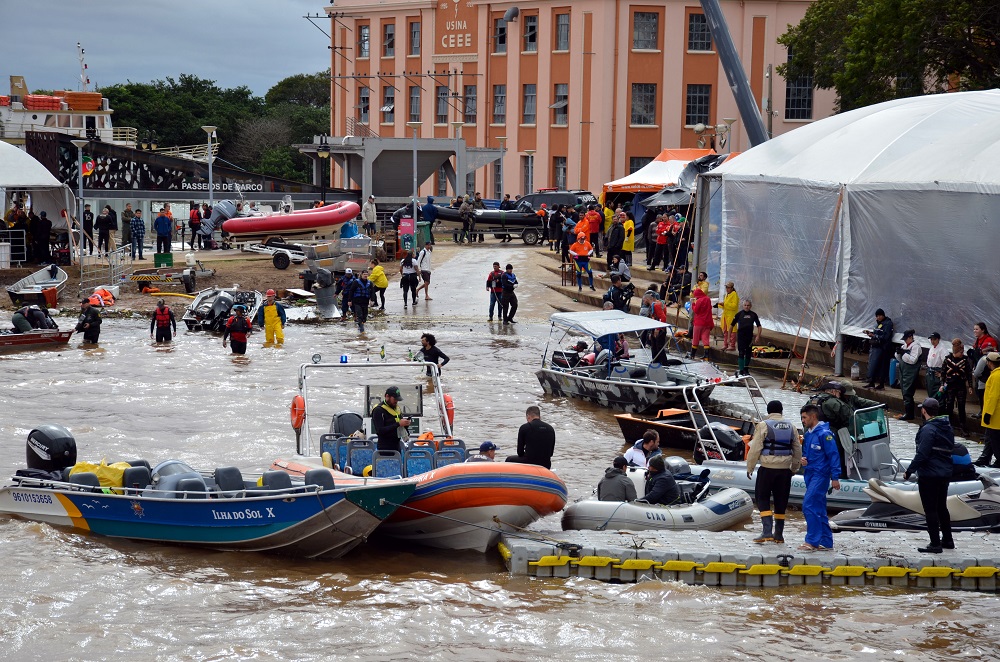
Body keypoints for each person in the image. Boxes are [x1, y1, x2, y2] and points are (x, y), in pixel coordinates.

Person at [745, 400, 803, 544]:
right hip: (785, 471)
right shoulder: (791, 426)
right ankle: (778, 535)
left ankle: (766, 532)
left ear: (769, 411)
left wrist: (750, 467)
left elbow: (755, 448)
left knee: (762, 498)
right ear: (781, 411)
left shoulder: (764, 425)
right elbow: (797, 449)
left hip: (767, 468)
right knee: (781, 501)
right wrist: (794, 468)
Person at [903, 398, 955, 553]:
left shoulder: (928, 429)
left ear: (924, 411)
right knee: (941, 507)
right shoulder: (947, 427)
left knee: (930, 509)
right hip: (944, 473)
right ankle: (947, 540)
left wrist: (909, 470)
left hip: (930, 475)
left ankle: (935, 544)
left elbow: (922, 454)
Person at [798, 403, 841, 551]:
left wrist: (835, 477)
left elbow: (833, 456)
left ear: (813, 416)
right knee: (819, 508)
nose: (802, 420)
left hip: (820, 475)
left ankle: (812, 541)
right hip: (810, 474)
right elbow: (807, 453)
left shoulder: (825, 434)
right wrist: (803, 460)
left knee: (808, 505)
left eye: (804, 417)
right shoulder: (809, 434)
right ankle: (826, 542)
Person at [941, 337, 974, 436]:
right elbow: (943, 373)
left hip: (961, 386)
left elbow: (968, 373)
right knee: (949, 406)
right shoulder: (947, 360)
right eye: (961, 352)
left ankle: (963, 426)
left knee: (961, 406)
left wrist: (970, 386)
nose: (962, 354)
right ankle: (948, 426)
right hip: (950, 386)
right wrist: (942, 385)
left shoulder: (964, 360)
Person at [371, 386, 411, 452]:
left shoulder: (397, 408)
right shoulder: (378, 410)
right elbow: (380, 431)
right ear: (387, 396)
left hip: (397, 447)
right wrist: (398, 424)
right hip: (384, 449)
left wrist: (406, 424)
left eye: (397, 399)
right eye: (395, 399)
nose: (396, 401)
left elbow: (399, 426)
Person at [863, 308, 894, 390]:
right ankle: (871, 382)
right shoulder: (879, 324)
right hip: (876, 348)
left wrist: (874, 336)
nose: (878, 318)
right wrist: (871, 334)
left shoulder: (888, 324)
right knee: (873, 365)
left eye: (879, 316)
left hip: (883, 348)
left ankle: (881, 384)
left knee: (882, 367)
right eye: (877, 316)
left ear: (883, 315)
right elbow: (878, 333)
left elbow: (885, 337)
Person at [731, 298, 763, 376]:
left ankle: (746, 369)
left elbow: (759, 326)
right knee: (741, 353)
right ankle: (741, 370)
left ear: (751, 306)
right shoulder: (739, 314)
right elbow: (731, 326)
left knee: (748, 354)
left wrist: (758, 336)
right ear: (743, 306)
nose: (746, 307)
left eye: (748, 305)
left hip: (749, 337)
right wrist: (729, 337)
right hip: (741, 336)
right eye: (745, 305)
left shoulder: (753, 315)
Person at [895, 329, 921, 420]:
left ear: (911, 337)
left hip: (910, 372)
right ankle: (907, 412)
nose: (905, 341)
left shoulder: (916, 347)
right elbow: (899, 358)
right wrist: (898, 353)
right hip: (903, 371)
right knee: (904, 391)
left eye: (906, 339)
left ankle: (909, 414)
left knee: (908, 392)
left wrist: (904, 354)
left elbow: (913, 360)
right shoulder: (905, 345)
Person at [981, 352, 1000, 469]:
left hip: (995, 414)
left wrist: (988, 413)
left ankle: (999, 460)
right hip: (994, 413)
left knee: (995, 439)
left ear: (990, 362)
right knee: (989, 437)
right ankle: (985, 457)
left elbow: (993, 396)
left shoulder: (996, 376)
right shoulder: (995, 375)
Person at [688, 288, 714, 360]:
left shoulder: (699, 300)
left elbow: (696, 310)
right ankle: (706, 356)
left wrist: (693, 304)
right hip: (707, 322)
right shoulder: (708, 299)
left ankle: (692, 355)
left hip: (699, 323)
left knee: (695, 339)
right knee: (705, 339)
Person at [717, 282, 740, 351]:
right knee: (725, 331)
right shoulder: (727, 295)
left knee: (732, 331)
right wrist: (720, 305)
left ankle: (732, 345)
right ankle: (725, 344)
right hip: (726, 315)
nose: (727, 289)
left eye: (728, 287)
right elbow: (726, 305)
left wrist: (724, 304)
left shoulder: (734, 295)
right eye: (726, 287)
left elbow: (734, 306)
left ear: (732, 288)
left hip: (731, 316)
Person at [925, 332, 946, 399]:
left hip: (937, 372)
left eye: (934, 339)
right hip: (930, 371)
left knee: (937, 393)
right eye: (931, 339)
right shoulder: (931, 348)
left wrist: (942, 373)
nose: (932, 341)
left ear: (938, 339)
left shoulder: (942, 349)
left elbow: (946, 363)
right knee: (930, 391)